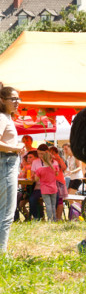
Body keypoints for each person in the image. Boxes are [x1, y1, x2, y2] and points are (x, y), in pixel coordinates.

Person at [0, 86, 22, 253]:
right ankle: (2, 255)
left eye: (18, 99)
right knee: (7, 213)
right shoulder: (2, 117)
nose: (17, 102)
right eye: (13, 99)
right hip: (6, 163)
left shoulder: (7, 117)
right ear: (2, 100)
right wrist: (15, 148)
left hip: (8, 163)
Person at [31, 143, 64, 222]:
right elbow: (32, 175)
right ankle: (38, 217)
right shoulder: (35, 162)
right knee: (32, 199)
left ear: (47, 153)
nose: (40, 155)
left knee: (56, 199)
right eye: (38, 153)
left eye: (42, 154)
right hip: (39, 188)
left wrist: (39, 176)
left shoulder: (54, 162)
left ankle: (51, 218)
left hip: (47, 187)